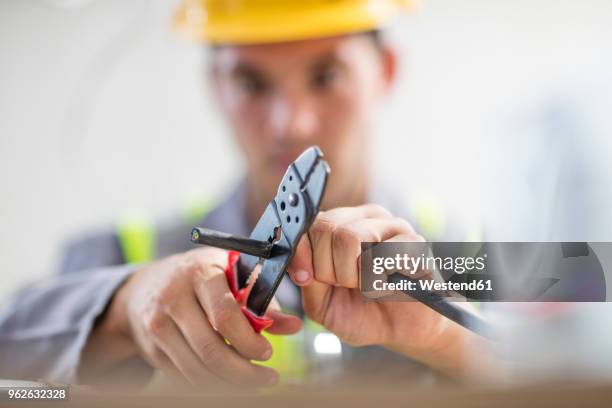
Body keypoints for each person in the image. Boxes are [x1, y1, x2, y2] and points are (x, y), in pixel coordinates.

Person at [0, 0, 488, 387]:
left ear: (385, 71)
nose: (291, 123)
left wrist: (448, 340)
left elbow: (558, 374)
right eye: (252, 83)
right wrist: (122, 312)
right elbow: (14, 381)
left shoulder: (474, 249)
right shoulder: (116, 255)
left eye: (326, 76)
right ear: (216, 86)